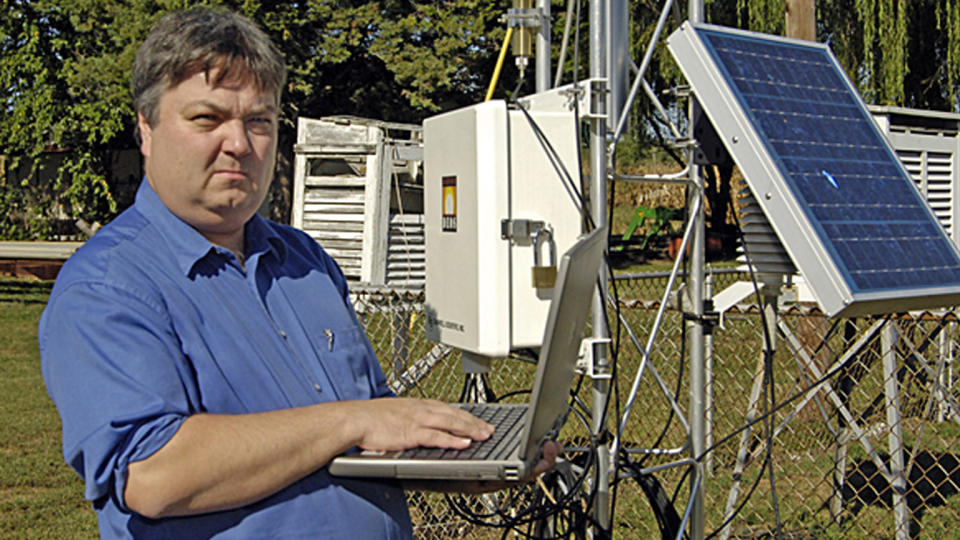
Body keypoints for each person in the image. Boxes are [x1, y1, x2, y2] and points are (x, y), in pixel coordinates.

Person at [39, 8, 558, 539]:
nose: (239, 144)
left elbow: (372, 431)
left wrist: (459, 461)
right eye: (206, 119)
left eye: (258, 121)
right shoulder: (108, 286)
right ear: (145, 130)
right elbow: (153, 475)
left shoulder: (304, 261)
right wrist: (350, 421)